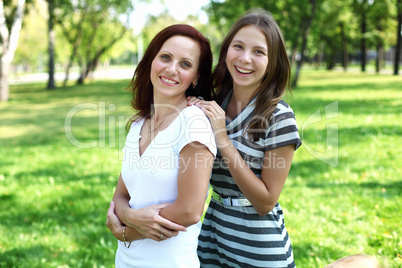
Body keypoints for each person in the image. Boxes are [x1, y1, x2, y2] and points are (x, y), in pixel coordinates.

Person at [187, 8, 301, 268]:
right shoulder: (215, 104)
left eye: (258, 52)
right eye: (238, 46)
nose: (245, 58)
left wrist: (222, 139)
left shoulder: (279, 116)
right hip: (212, 239)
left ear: (273, 62)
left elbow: (265, 201)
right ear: (227, 51)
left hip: (258, 249)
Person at [105, 24, 217, 267]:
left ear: (196, 77)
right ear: (151, 60)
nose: (172, 69)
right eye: (165, 57)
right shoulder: (138, 125)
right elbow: (121, 196)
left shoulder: (193, 122)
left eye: (185, 64)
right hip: (125, 261)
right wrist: (130, 216)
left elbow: (189, 211)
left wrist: (126, 231)